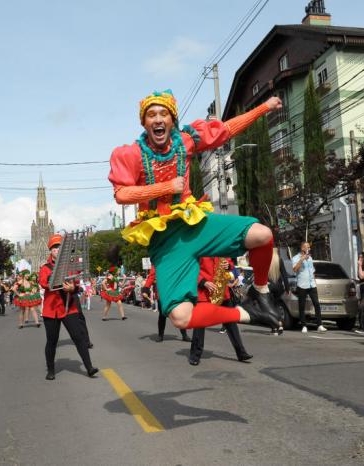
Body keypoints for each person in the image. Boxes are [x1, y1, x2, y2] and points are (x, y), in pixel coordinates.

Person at [108, 90, 283, 333]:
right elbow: (121, 194)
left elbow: (226, 130)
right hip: (166, 239)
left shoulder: (186, 140)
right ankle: (247, 313)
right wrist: (165, 187)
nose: (157, 119)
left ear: (172, 120)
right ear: (144, 123)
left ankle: (261, 292)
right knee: (181, 317)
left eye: (163, 113)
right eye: (151, 115)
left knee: (262, 235)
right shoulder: (132, 154)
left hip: (195, 224)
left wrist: (263, 107)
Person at [40, 234, 97, 380]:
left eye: (60, 247)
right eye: (54, 247)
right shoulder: (45, 268)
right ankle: (51, 370)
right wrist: (58, 280)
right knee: (52, 341)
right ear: (50, 250)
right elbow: (44, 283)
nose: (57, 250)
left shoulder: (71, 266)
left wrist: (73, 288)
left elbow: (77, 286)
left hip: (68, 307)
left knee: (78, 337)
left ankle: (89, 367)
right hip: (51, 310)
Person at [189, 257, 252, 365]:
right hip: (205, 292)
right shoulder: (200, 246)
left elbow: (231, 264)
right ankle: (195, 355)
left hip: (222, 292)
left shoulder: (221, 248)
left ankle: (241, 353)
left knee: (231, 322)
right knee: (199, 323)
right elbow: (190, 269)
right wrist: (203, 282)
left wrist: (229, 266)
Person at [142, 266, 190, 342]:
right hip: (162, 292)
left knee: (180, 313)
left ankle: (184, 335)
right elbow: (152, 276)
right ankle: (160, 335)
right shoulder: (158, 260)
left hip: (175, 291)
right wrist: (146, 288)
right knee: (162, 315)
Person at [292, 242, 326, 333]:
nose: (309, 249)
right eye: (308, 247)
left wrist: (314, 282)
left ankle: (319, 325)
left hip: (311, 284)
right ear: (303, 248)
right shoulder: (295, 258)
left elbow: (312, 271)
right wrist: (301, 259)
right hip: (302, 285)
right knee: (302, 306)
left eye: (309, 247)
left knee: (316, 304)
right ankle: (303, 325)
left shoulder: (310, 258)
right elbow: (295, 269)